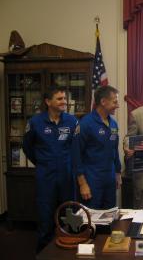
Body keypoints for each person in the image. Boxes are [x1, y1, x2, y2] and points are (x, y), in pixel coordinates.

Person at [23, 85, 78, 253]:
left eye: (65, 98)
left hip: (67, 176)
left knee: (69, 216)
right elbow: (27, 147)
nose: (64, 102)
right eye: (59, 99)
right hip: (45, 177)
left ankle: (68, 251)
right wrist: (41, 162)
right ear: (48, 102)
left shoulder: (72, 121)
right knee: (46, 218)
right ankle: (44, 253)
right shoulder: (35, 122)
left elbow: (75, 148)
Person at [73, 85, 122, 209]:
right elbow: (76, 155)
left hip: (110, 178)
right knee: (92, 219)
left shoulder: (113, 123)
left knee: (110, 216)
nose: (118, 105)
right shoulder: (85, 123)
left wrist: (117, 173)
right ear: (103, 102)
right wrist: (82, 184)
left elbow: (114, 150)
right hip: (92, 178)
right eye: (115, 101)